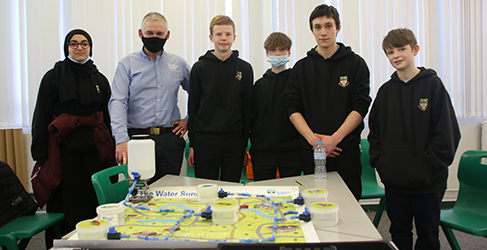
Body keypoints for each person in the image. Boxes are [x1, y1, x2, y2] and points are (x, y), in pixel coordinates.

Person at [368, 28, 461, 250]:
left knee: (428, 236)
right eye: (390, 52)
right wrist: (382, 164)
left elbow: (447, 134)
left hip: (428, 183)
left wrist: (427, 166)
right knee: (398, 233)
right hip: (395, 183)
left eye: (402, 49)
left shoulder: (433, 86)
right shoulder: (386, 92)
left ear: (415, 49)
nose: (396, 55)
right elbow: (375, 134)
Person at [30, 29, 115, 248]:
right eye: (74, 43)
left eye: (84, 43)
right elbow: (41, 116)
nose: (79, 47)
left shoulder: (99, 79)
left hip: (93, 154)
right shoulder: (53, 77)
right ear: (67, 47)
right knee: (65, 206)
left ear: (90, 47)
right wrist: (40, 156)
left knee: (93, 204)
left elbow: (106, 118)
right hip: (62, 154)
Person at [286, 4, 371, 200]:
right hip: (312, 152)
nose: (323, 32)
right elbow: (293, 108)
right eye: (318, 27)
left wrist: (334, 140)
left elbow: (360, 106)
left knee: (349, 211)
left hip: (345, 151)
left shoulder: (356, 64)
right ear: (312, 30)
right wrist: (315, 141)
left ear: (337, 28)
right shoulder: (301, 68)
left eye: (328, 26)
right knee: (314, 208)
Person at [109, 12, 190, 184]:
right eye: (150, 33)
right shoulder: (127, 64)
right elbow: (118, 101)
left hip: (169, 140)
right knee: (138, 193)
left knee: (169, 192)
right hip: (137, 139)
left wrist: (188, 120)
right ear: (141, 34)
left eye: (159, 34)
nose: (155, 37)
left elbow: (199, 95)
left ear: (167, 35)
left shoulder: (178, 64)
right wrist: (121, 140)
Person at [187, 15, 253, 182]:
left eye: (228, 34)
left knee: (231, 190)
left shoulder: (244, 69)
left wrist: (244, 145)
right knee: (206, 189)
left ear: (234, 37)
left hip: (235, 141)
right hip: (205, 141)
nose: (223, 38)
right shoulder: (199, 68)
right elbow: (193, 107)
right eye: (219, 34)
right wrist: (193, 144)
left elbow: (247, 109)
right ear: (211, 37)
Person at [250, 32, 301, 181]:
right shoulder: (258, 85)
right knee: (262, 196)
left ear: (289, 52)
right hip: (262, 152)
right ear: (267, 53)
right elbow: (253, 118)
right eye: (273, 50)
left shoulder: (296, 83)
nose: (277, 54)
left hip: (292, 151)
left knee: (292, 195)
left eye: (282, 49)